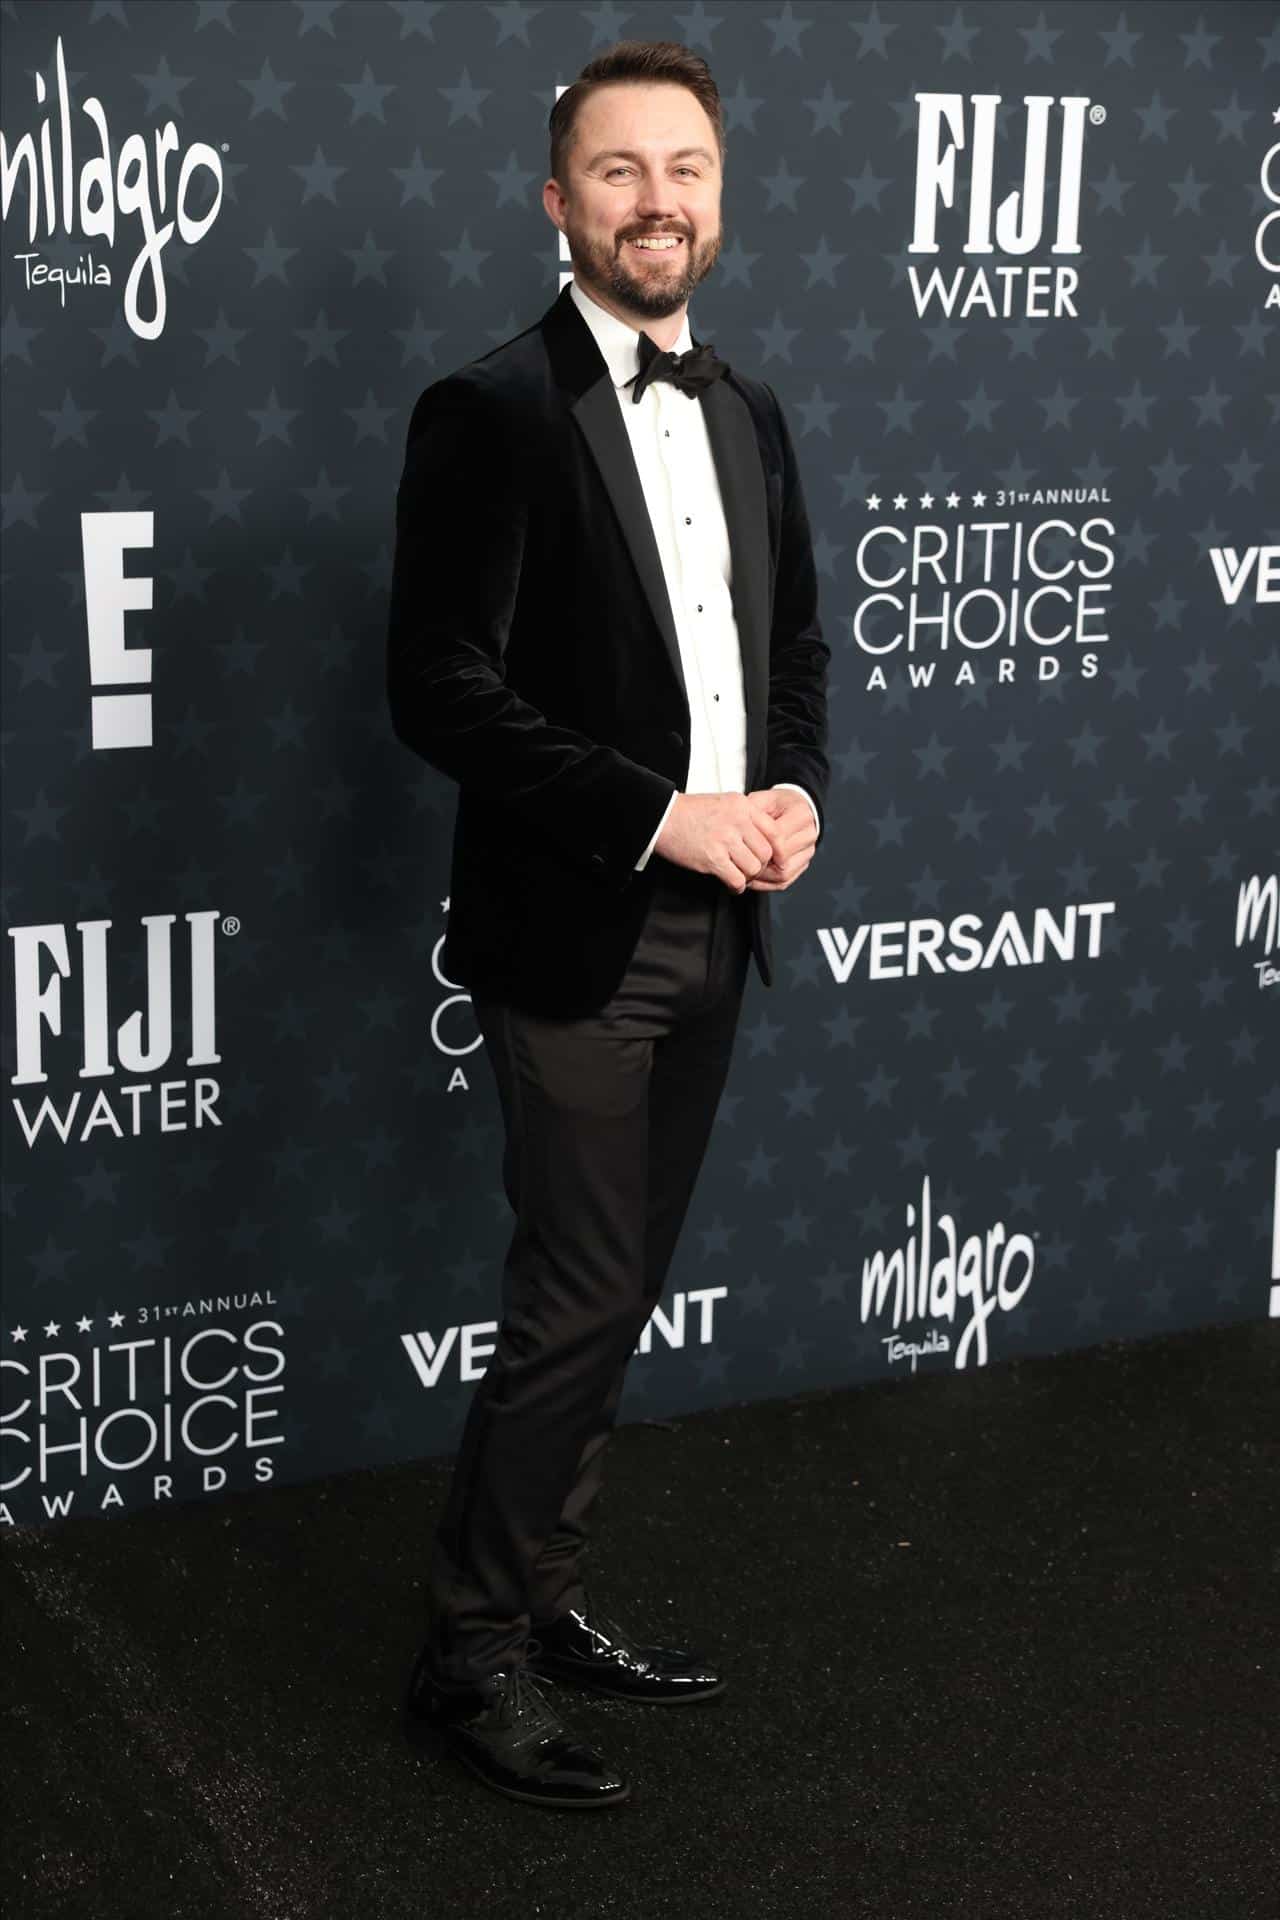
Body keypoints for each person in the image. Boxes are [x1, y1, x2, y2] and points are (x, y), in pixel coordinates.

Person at [386, 38, 829, 1810]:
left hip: (725, 924)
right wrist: (664, 816)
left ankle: (540, 1601)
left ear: (720, 198)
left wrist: (793, 794)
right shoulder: (487, 412)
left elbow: (786, 652)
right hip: (575, 927)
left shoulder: (747, 409)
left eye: (689, 170)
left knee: (620, 1288)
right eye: (624, 170)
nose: (662, 200)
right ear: (558, 201)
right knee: (575, 1293)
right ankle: (470, 1652)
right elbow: (439, 688)